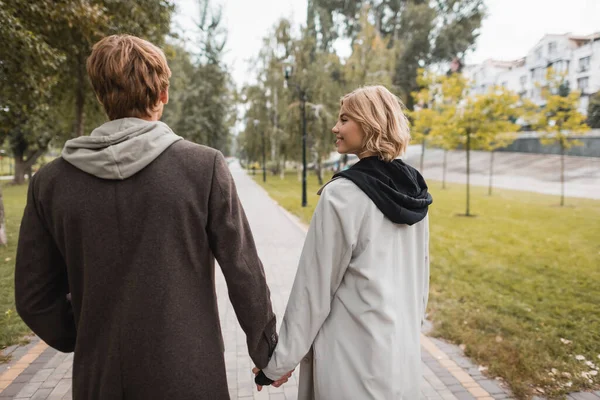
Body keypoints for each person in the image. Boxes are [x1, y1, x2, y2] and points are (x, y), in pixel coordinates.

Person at [14, 34, 279, 399]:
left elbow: (33, 298)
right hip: (190, 374)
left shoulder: (50, 182)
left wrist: (87, 335)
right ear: (163, 95)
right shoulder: (203, 167)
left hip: (99, 378)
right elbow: (243, 271)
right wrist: (268, 354)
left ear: (100, 95)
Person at [254, 85, 433, 399]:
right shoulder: (415, 192)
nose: (335, 127)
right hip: (401, 359)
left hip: (350, 361)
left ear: (370, 123)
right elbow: (421, 281)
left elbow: (313, 291)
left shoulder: (343, 195)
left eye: (345, 119)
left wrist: (278, 363)